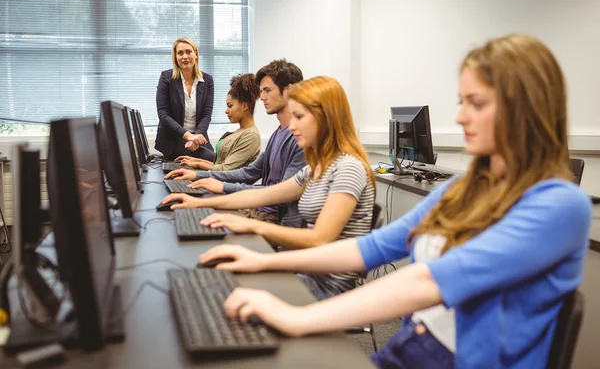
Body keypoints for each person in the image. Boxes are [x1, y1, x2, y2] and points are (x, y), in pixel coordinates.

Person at [197, 35, 592, 368]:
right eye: (461, 102)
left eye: (477, 103)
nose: (460, 119)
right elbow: (371, 248)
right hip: (412, 347)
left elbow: (433, 280)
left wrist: (298, 318)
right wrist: (263, 259)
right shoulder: (463, 190)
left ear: (524, 108)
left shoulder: (561, 206)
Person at [162, 76, 376, 299]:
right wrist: (199, 202)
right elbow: (264, 195)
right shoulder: (316, 168)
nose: (292, 126)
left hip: (328, 287)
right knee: (214, 284)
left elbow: (319, 239)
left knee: (222, 292)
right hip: (307, 272)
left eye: (299, 117)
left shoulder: (348, 168)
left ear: (326, 117)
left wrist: (253, 227)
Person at [164, 59, 306, 227]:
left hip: (273, 221)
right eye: (261, 91)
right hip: (257, 211)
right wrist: (198, 175)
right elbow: (249, 173)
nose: (261, 97)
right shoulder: (278, 133)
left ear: (289, 90)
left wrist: (223, 186)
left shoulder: (300, 139)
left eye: (267, 90)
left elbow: (280, 193)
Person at [174, 73, 261, 171]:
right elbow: (219, 163)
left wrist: (198, 164)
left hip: (224, 184)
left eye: (230, 106)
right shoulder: (238, 132)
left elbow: (226, 169)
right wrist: (197, 161)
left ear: (245, 106)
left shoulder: (251, 136)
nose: (226, 110)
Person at [155, 37, 215, 161]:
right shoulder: (166, 78)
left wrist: (196, 137)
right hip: (174, 139)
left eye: (189, 51)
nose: (185, 56)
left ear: (196, 54)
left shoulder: (207, 80)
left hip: (198, 136)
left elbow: (206, 114)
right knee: (209, 159)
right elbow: (163, 114)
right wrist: (188, 136)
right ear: (175, 58)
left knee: (213, 159)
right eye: (180, 53)